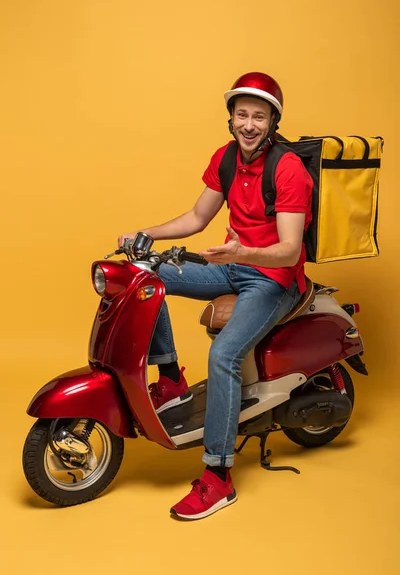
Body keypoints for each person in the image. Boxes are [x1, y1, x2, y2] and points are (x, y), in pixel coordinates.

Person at [118, 72, 313, 520]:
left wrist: (243, 251)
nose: (248, 125)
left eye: (258, 117)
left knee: (224, 355)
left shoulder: (288, 169)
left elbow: (288, 249)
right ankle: (170, 377)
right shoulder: (226, 159)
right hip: (232, 263)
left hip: (273, 280)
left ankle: (218, 476)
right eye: (241, 115)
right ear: (230, 119)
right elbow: (196, 217)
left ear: (272, 122)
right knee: (143, 276)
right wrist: (142, 235)